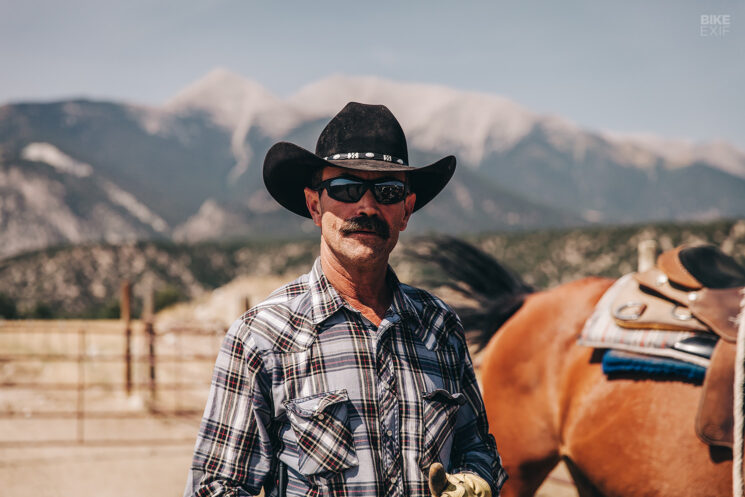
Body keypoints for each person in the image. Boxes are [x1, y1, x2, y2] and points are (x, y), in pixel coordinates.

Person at [184, 102, 507, 497]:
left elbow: (476, 447)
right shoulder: (262, 336)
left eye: (387, 191)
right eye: (346, 189)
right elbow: (217, 486)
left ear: (405, 211)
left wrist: (474, 479)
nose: (367, 206)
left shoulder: (440, 327)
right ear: (314, 205)